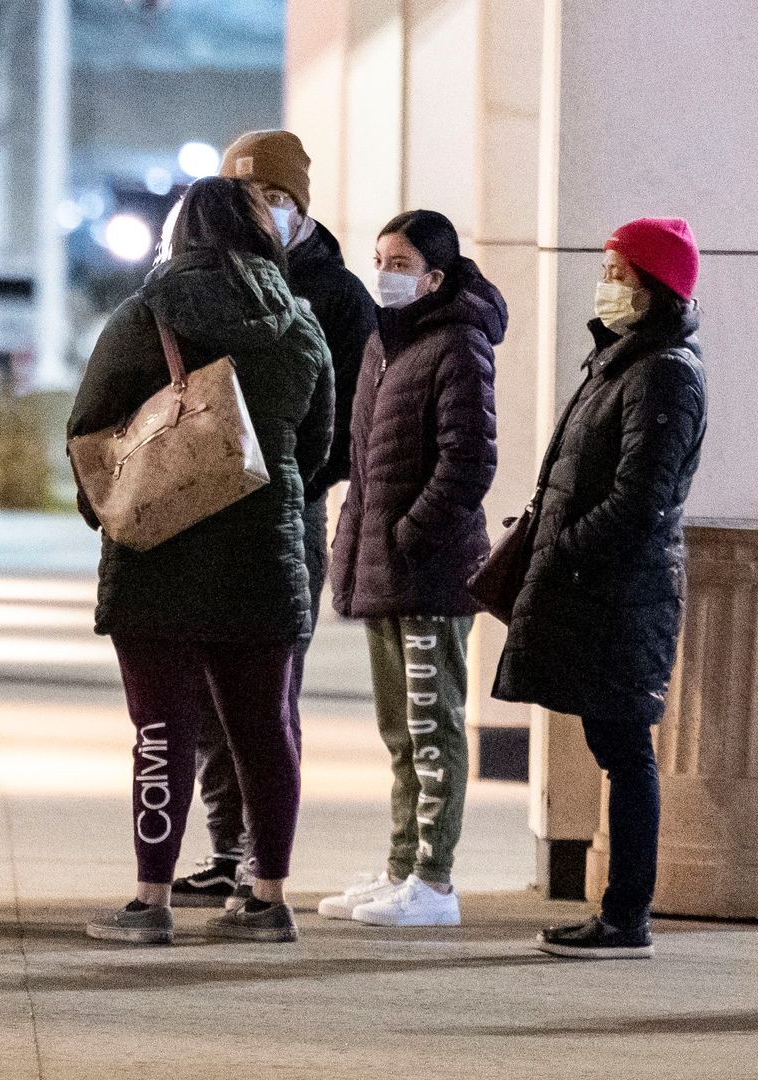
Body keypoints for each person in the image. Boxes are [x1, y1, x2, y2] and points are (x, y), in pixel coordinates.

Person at [68, 175, 334, 946]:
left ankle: (151, 899)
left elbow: (87, 429)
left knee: (161, 732)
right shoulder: (300, 325)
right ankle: (269, 897)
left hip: (157, 558)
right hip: (265, 557)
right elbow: (317, 446)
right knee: (266, 733)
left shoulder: (144, 315)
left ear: (180, 234)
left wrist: (111, 512)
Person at [173, 130, 377, 907]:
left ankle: (265, 860)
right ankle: (225, 849)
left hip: (290, 512)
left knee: (267, 691)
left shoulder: (338, 296)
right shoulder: (207, 280)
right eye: (249, 195)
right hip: (207, 508)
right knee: (205, 692)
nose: (263, 209)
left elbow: (351, 419)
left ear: (301, 205)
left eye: (278, 196)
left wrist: (292, 479)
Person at [494, 218, 707, 960]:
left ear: (655, 288)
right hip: (603, 587)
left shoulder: (664, 372)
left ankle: (625, 918)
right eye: (606, 271)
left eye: (620, 274)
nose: (606, 285)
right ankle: (619, 916)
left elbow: (640, 499)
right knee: (614, 745)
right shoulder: (622, 361)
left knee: (625, 752)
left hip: (622, 593)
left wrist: (563, 551)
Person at [324, 210, 501, 927]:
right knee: (400, 733)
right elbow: (365, 463)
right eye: (379, 261)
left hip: (431, 573)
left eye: (399, 264)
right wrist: (358, 546)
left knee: (433, 729)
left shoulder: (458, 343)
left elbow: (470, 461)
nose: (384, 275)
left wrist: (409, 533)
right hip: (385, 568)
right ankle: (402, 867)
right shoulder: (385, 343)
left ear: (434, 277)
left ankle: (434, 882)